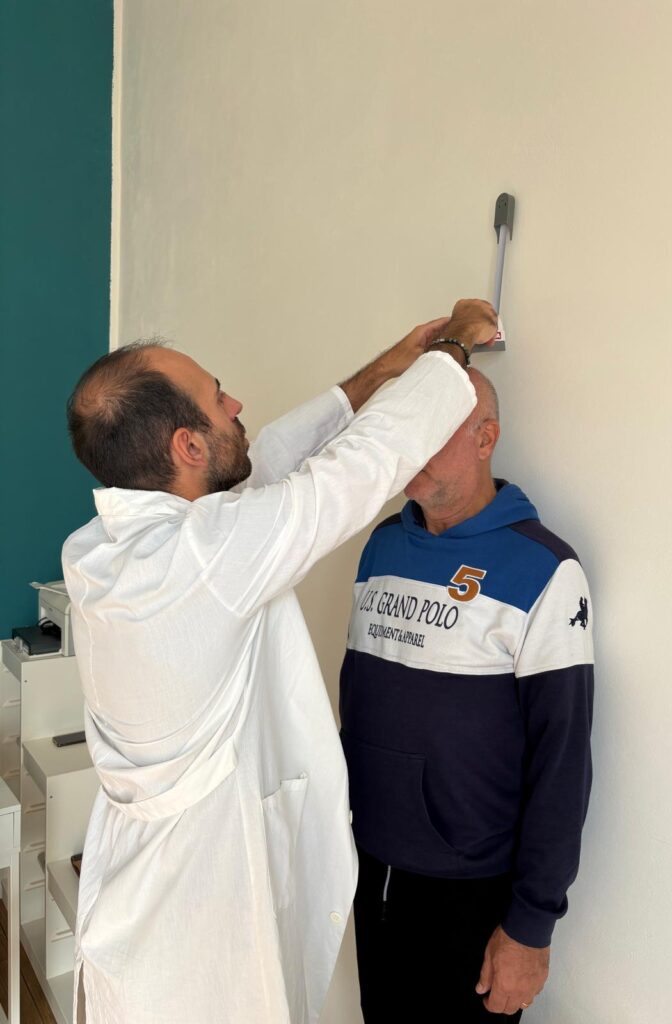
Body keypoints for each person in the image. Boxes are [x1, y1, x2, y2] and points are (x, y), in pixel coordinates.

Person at [61, 299, 498, 1024]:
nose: (237, 405)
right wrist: (455, 342)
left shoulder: (106, 548)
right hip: (196, 928)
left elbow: (268, 464)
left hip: (147, 906)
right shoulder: (200, 559)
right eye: (218, 399)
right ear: (187, 448)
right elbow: (354, 469)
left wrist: (388, 367)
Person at [340, 368, 594, 1021]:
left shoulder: (545, 569)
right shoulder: (381, 546)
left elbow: (562, 761)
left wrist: (531, 926)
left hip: (472, 894)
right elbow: (360, 704)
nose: (413, 446)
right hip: (371, 868)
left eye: (436, 428)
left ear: (486, 439)